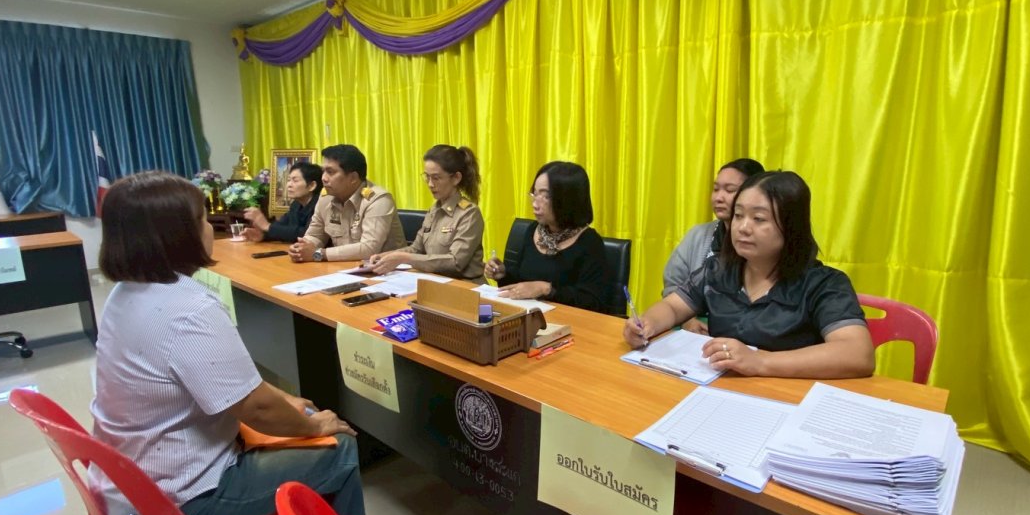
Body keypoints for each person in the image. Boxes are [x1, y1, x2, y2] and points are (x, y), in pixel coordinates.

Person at [91, 170, 362, 515]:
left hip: (131, 493)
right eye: (203, 219)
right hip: (180, 506)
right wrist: (316, 426)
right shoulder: (187, 308)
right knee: (340, 448)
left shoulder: (125, 294)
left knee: (294, 422)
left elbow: (226, 383)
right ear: (175, 235)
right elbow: (256, 409)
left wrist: (284, 401)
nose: (211, 227)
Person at [624, 171, 875, 379]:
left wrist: (760, 362)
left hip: (786, 398)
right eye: (738, 215)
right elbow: (672, 307)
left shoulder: (824, 284)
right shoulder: (718, 270)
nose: (743, 227)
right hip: (718, 389)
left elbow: (857, 354)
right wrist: (647, 324)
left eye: (758, 218)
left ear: (791, 227)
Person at [484, 161, 610, 313]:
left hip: (568, 322)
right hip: (530, 318)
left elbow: (593, 302)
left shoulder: (589, 243)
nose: (535, 204)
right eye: (535, 194)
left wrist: (547, 289)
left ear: (568, 200)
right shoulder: (533, 230)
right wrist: (503, 274)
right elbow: (523, 284)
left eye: (546, 196)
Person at [663, 158, 765, 333]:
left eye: (730, 190)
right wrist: (688, 320)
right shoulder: (698, 235)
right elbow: (673, 285)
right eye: (716, 189)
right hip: (695, 330)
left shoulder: (764, 243)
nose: (718, 197)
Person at [366, 145, 485, 282]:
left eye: (436, 178)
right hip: (434, 282)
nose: (430, 184)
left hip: (464, 285)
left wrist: (404, 258)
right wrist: (386, 256)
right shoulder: (434, 209)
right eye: (427, 177)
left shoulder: (469, 213)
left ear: (456, 178)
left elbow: (455, 262)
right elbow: (416, 249)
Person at [289, 144, 406, 263]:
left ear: (353, 178)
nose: (323, 178)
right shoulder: (326, 198)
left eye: (330, 172)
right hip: (344, 267)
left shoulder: (378, 200)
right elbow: (315, 235)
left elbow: (369, 249)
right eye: (323, 171)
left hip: (386, 270)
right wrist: (302, 247)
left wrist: (319, 254)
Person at [240, 160, 322, 243]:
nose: (289, 185)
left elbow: (306, 234)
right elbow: (282, 226)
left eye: (295, 181)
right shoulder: (296, 204)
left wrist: (266, 226)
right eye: (289, 180)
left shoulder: (321, 205)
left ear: (312, 186)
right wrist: (264, 236)